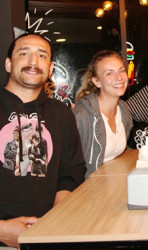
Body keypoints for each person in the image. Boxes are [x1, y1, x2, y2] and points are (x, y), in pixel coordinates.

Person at [0, 33, 86, 248]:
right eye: (24, 53)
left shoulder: (62, 114)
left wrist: (54, 220)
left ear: (50, 69)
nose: (33, 62)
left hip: (48, 236)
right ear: (9, 64)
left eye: (42, 55)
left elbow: (71, 174)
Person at [74, 50, 133, 178]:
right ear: (97, 81)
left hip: (114, 182)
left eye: (121, 70)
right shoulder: (83, 116)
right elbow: (70, 164)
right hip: (89, 187)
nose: (119, 77)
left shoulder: (123, 109)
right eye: (109, 73)